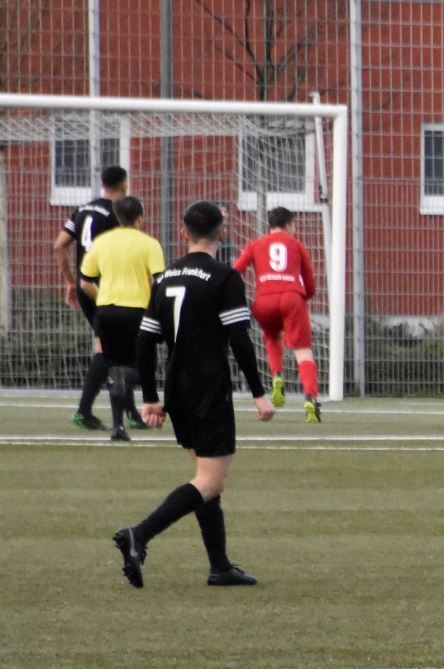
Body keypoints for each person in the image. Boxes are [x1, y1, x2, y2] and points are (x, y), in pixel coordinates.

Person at [113, 201, 275, 589]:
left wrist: (150, 396)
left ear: (183, 233)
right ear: (222, 232)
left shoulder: (166, 276)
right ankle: (139, 534)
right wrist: (259, 393)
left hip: (177, 389)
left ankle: (220, 567)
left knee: (205, 478)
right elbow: (240, 339)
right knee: (210, 482)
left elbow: (145, 340)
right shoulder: (225, 277)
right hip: (208, 388)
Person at [52, 165, 143, 431]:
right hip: (109, 288)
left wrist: (71, 281)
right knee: (113, 349)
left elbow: (59, 245)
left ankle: (131, 413)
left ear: (102, 184)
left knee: (113, 347)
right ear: (124, 184)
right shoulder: (118, 214)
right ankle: (85, 411)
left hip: (85, 285)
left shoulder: (83, 209)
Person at [78, 196, 166, 442]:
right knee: (144, 366)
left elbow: (85, 282)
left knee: (115, 366)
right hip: (138, 311)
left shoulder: (102, 242)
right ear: (141, 218)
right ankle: (126, 381)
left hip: (106, 310)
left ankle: (118, 427)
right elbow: (159, 282)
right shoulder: (150, 244)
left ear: (117, 217)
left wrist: (103, 297)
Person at [233, 207, 322, 422]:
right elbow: (310, 283)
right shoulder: (296, 245)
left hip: (264, 300)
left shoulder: (254, 245)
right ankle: (310, 397)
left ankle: (277, 375)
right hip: (291, 298)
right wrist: (303, 298)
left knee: (271, 337)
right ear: (289, 225)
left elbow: (235, 271)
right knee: (303, 351)